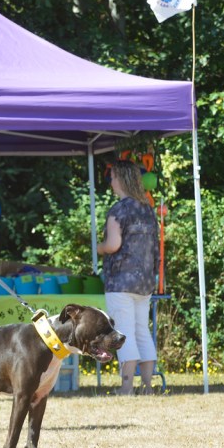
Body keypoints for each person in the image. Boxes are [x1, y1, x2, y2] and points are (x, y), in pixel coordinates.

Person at [96, 161, 159, 395]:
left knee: (124, 332)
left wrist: (99, 248)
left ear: (120, 180)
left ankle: (126, 387)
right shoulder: (147, 209)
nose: (110, 182)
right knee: (143, 330)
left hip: (120, 281)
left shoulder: (119, 210)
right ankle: (147, 386)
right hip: (144, 282)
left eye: (112, 177)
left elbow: (113, 245)